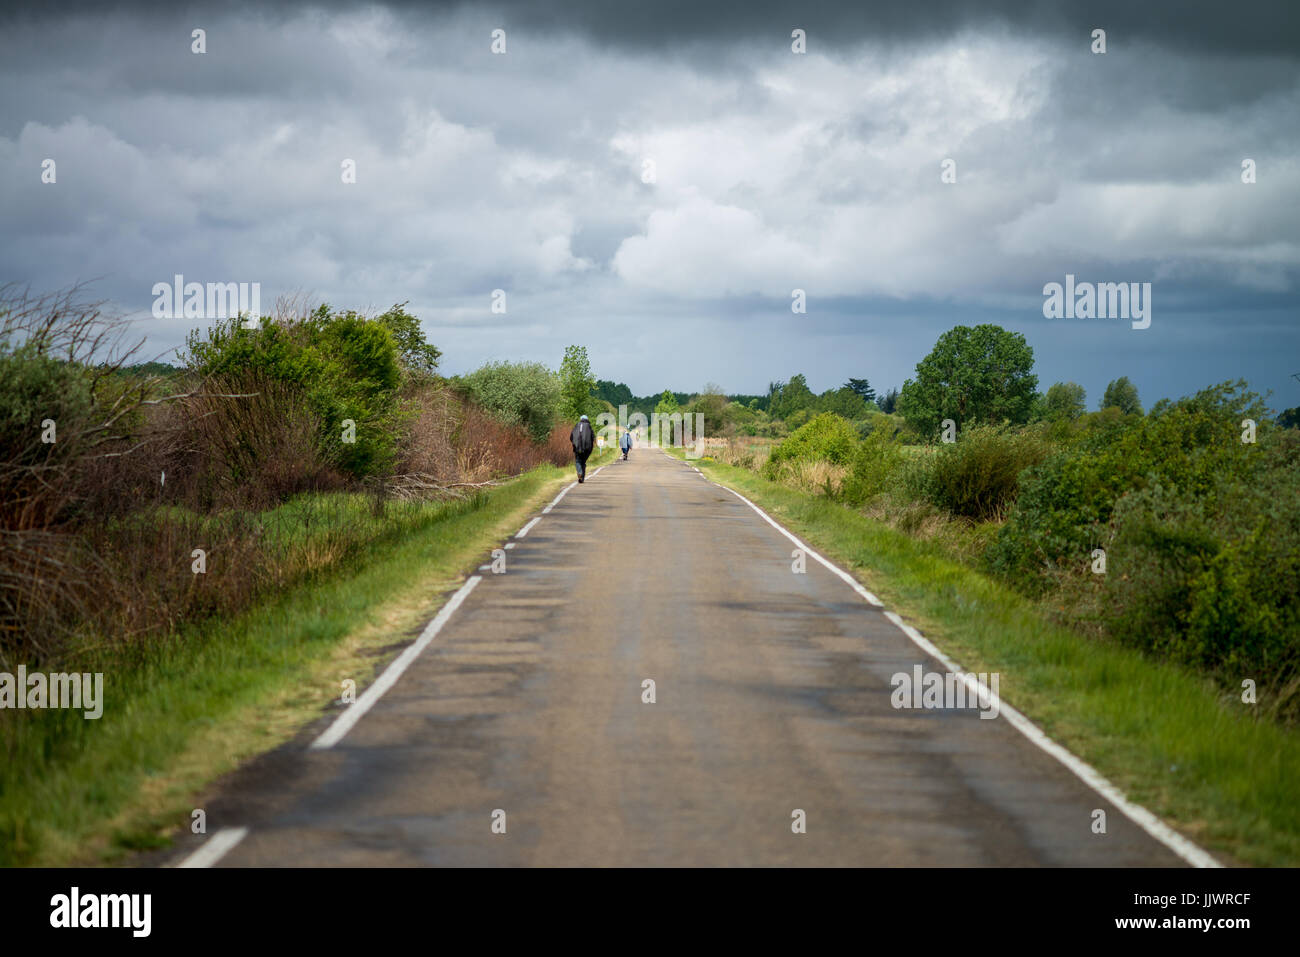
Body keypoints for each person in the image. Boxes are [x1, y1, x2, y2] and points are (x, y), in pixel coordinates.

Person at [570, 414, 595, 483]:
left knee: (578, 461)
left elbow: (571, 437)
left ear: (581, 419)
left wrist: (575, 444)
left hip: (577, 448)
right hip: (587, 449)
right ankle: (582, 477)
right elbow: (593, 437)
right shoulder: (589, 426)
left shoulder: (576, 425)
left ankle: (580, 473)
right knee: (583, 462)